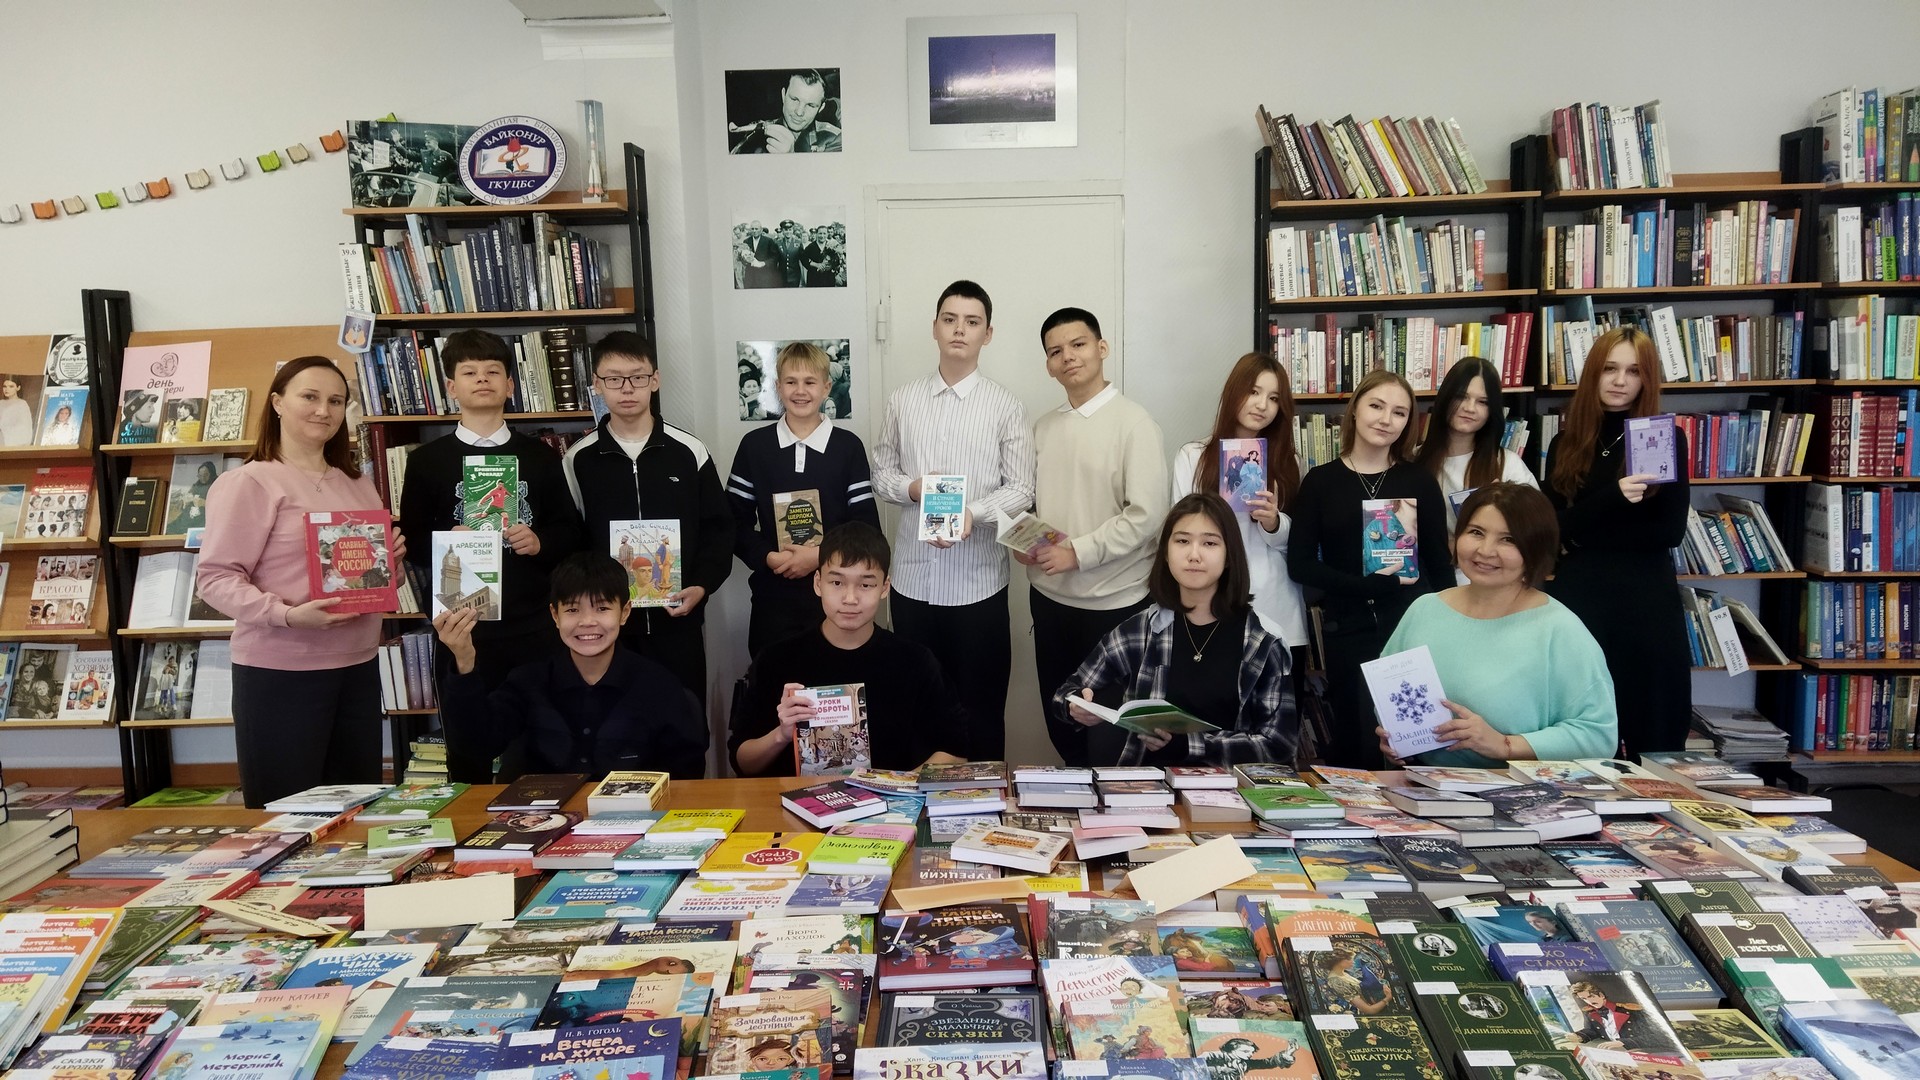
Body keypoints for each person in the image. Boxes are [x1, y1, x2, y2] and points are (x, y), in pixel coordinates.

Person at [196, 357, 394, 807]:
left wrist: (390, 565)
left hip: (358, 667)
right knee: (285, 817)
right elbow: (215, 578)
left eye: (336, 401)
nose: (324, 410)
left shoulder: (358, 483)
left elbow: (365, 577)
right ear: (277, 403)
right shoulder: (249, 482)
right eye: (310, 397)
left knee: (355, 810)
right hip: (280, 673)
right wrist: (285, 615)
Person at [398, 330, 583, 784]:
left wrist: (539, 541)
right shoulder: (426, 460)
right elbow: (413, 541)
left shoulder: (539, 456)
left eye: (493, 371)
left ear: (510, 385)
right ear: (450, 387)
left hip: (531, 624)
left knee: (538, 742)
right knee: (467, 746)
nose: (482, 379)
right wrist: (447, 539)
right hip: (460, 625)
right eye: (469, 372)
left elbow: (571, 531)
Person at [871, 280, 1035, 761]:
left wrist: (971, 513)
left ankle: (983, 805)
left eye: (972, 321)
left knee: (980, 713)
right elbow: (881, 474)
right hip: (912, 582)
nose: (959, 330)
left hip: (978, 587)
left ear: (988, 334)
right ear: (935, 328)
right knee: (915, 708)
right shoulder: (902, 400)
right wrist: (914, 489)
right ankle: (915, 801)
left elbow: (1022, 488)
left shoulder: (1006, 405)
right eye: (950, 319)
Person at [1374, 483, 1617, 768]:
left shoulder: (1560, 629)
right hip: (1422, 783)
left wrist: (1505, 745)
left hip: (1516, 789)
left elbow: (1599, 736)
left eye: (1508, 539)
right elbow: (1387, 697)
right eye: (1476, 532)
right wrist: (1396, 740)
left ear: (1536, 548)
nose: (1486, 550)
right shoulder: (1424, 609)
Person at [1023, 308, 1169, 766]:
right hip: (1051, 601)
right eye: (1055, 351)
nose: (1068, 356)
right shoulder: (1043, 427)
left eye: (1078, 344)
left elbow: (1146, 515)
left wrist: (1077, 553)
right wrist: (1027, 542)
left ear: (1102, 348)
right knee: (1062, 722)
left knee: (1110, 736)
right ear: (1049, 365)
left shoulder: (1135, 423)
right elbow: (1037, 507)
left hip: (1115, 604)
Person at [1057, 493, 1297, 767]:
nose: (1194, 555)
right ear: (1166, 553)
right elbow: (1067, 691)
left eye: (1209, 543)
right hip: (1147, 785)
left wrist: (1188, 745)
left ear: (1229, 556)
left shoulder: (1263, 641)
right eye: (1182, 541)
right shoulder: (1141, 630)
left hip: (1230, 787)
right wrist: (1075, 704)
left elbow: (1279, 746)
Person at [1287, 370, 1452, 769]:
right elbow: (1300, 564)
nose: (1385, 419)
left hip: (1410, 626)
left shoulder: (1419, 481)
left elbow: (1439, 565)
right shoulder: (1320, 482)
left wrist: (1448, 628)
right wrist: (1363, 586)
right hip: (1347, 628)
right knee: (1358, 741)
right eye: (1376, 406)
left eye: (1399, 412)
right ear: (1355, 410)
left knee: (1415, 742)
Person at [1544, 327, 1691, 755]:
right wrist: (1613, 498)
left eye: (1634, 371)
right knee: (1574, 726)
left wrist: (1584, 531)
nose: (1620, 381)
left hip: (1645, 601)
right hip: (1580, 597)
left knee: (1653, 731)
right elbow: (1553, 528)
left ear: (1647, 379)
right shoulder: (1565, 442)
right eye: (1610, 368)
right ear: (1594, 373)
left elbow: (1668, 532)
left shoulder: (1664, 438)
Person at [564, 332, 731, 706]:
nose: (627, 388)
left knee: (684, 718)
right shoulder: (579, 459)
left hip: (678, 621)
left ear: (655, 380)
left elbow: (719, 529)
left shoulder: (689, 451)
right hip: (609, 628)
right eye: (614, 378)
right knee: (615, 723)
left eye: (638, 377)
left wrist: (702, 586)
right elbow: (571, 540)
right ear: (596, 384)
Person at [433, 552, 707, 780]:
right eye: (573, 610)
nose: (587, 622)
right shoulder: (527, 682)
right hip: (541, 820)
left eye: (602, 609)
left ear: (624, 613)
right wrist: (464, 660)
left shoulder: (658, 685)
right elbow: (475, 745)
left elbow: (686, 775)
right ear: (555, 615)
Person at [729, 522, 966, 776]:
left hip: (890, 799)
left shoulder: (915, 662)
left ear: (885, 587)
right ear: (818, 583)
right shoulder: (777, 660)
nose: (850, 599)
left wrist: (900, 785)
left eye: (865, 585)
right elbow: (742, 761)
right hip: (797, 799)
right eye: (837, 582)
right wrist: (782, 734)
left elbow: (956, 749)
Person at [728, 342, 881, 656]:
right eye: (791, 382)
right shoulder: (754, 446)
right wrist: (768, 557)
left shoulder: (848, 447)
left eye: (810, 382)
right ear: (777, 387)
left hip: (838, 598)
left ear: (826, 388)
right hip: (774, 597)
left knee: (836, 680)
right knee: (774, 679)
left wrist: (819, 556)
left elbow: (866, 528)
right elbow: (732, 523)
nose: (800, 391)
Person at [1172, 353, 1308, 657]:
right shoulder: (1193, 457)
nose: (1262, 405)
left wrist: (1273, 522)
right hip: (1210, 599)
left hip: (1275, 601)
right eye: (1253, 392)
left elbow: (1300, 545)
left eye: (1274, 398)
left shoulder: (1289, 463)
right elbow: (1178, 535)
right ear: (1234, 392)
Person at [1412, 356, 1539, 581]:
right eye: (1461, 397)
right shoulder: (1413, 461)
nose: (1470, 408)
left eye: (1483, 402)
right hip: (1426, 581)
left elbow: (1537, 532)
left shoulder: (1507, 464)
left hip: (1490, 582)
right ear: (1445, 398)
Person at [730, 69, 842, 154]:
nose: (799, 112)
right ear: (783, 95)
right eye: (794, 99)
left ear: (821, 108)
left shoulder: (834, 137)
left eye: (810, 105)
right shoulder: (755, 136)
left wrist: (790, 156)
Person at [0, 377, 33, 446]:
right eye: (4, 386)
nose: (7, 389)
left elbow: (27, 427)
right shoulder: (1, 403)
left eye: (11, 386)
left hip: (16, 443)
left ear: (18, 388)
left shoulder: (22, 404)